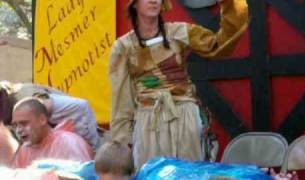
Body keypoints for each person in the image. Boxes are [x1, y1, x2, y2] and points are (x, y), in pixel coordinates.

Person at [109, 0, 248, 168]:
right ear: (134, 4)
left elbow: (218, 46)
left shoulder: (178, 32)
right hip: (148, 121)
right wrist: (120, 144)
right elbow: (121, 100)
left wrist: (230, 5)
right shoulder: (124, 47)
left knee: (189, 173)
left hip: (184, 115)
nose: (154, 1)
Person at [0, 81, 100, 152]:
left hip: (83, 134)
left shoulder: (29, 99)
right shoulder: (9, 109)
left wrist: (92, 151)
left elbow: (81, 107)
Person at [11, 97, 93, 168]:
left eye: (24, 123)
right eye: (15, 125)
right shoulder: (24, 149)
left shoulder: (70, 143)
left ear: (42, 119)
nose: (18, 130)